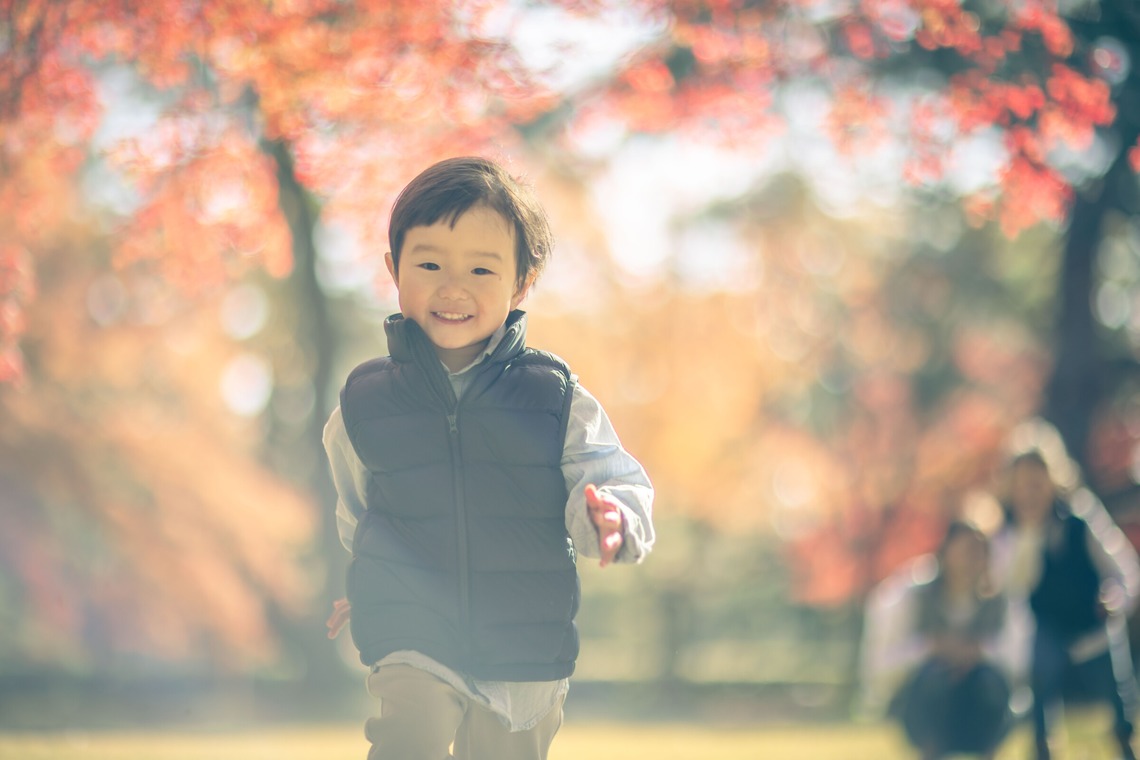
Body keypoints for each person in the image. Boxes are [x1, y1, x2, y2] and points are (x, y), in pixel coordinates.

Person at [321, 156, 655, 760]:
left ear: (521, 282)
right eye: (429, 265)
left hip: (524, 639)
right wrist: (365, 578)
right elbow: (359, 505)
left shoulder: (553, 397)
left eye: (481, 268)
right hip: (413, 629)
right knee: (407, 738)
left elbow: (609, 478)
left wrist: (612, 521)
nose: (454, 288)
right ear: (394, 269)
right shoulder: (364, 403)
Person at [992, 449, 1140, 760]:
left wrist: (1116, 599)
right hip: (1047, 627)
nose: (1029, 493)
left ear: (1054, 480)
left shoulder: (1080, 516)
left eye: (1036, 483)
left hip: (1093, 622)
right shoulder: (1009, 533)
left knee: (1113, 689)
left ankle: (1123, 739)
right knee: (1041, 674)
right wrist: (1028, 535)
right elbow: (1013, 588)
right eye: (1021, 485)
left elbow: (1123, 568)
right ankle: (1042, 745)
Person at [862, 522, 1013, 760]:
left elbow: (1021, 661)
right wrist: (930, 648)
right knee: (934, 679)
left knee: (989, 683)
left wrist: (977, 653)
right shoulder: (910, 597)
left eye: (977, 551)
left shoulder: (1002, 602)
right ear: (944, 553)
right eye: (963, 550)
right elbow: (879, 667)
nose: (970, 560)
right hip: (926, 706)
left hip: (978, 708)